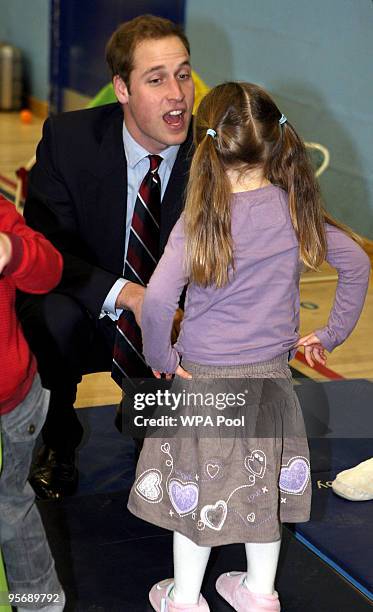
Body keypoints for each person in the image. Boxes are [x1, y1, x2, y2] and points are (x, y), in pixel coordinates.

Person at [127, 82, 371, 611]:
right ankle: (259, 595)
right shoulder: (293, 209)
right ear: (279, 143)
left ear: (207, 145)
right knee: (263, 491)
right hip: (271, 382)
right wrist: (329, 335)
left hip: (206, 384)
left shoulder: (199, 223)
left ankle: (184, 599)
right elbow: (357, 263)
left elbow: (158, 299)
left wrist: (161, 360)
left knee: (196, 496)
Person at [16, 14, 195, 500]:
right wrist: (128, 295)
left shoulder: (213, 153)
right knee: (50, 314)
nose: (177, 93)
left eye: (183, 73)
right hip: (88, 300)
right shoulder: (69, 140)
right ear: (121, 89)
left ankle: (145, 410)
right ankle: (58, 439)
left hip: (173, 315)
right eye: (155, 79)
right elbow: (45, 250)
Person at [0, 195, 65, 611]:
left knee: (11, 512)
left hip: (11, 408)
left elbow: (49, 269)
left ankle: (41, 604)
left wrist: (11, 249)